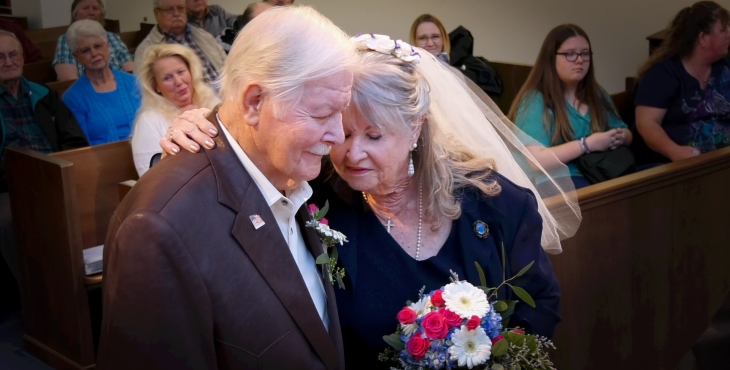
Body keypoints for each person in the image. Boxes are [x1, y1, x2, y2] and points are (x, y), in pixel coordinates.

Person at [162, 34, 581, 368]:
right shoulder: (317, 197)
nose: (351, 153)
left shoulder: (496, 204)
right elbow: (236, 172)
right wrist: (203, 133)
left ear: (416, 128)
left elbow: (540, 305)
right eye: (341, 132)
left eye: (374, 136)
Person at [97, 6, 356, 369]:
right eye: (321, 114)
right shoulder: (159, 229)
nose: (338, 134)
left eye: (341, 112)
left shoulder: (289, 162)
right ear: (254, 102)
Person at [0, 30, 88, 315]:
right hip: (7, 185)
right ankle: (38, 302)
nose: (7, 61)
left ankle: (88, 292)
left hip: (53, 174)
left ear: (23, 57)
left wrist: (55, 170)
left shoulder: (45, 95)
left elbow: (74, 140)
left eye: (13, 54)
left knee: (91, 204)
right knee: (9, 222)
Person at [508, 24, 632, 189]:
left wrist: (618, 137)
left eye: (585, 54)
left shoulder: (597, 94)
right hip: (553, 183)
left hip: (597, 174)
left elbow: (628, 135)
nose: (580, 60)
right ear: (551, 58)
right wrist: (586, 145)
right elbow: (536, 161)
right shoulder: (535, 100)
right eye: (570, 54)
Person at [634, 1, 730, 167]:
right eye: (723, 30)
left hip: (721, 160)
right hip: (673, 166)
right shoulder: (662, 74)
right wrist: (675, 151)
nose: (729, 34)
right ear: (703, 38)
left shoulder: (725, 65)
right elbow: (647, 124)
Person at [131, 43, 218, 176]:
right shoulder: (149, 120)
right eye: (167, 78)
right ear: (156, 86)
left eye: (181, 72)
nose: (178, 81)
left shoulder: (213, 103)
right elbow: (148, 177)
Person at [62, 20, 141, 146]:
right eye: (85, 50)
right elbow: (83, 147)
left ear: (108, 46)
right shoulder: (72, 98)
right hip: (103, 163)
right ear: (76, 56)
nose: (94, 54)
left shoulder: (135, 83)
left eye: (98, 46)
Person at [134, 0, 226, 86]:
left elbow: (227, 65)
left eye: (180, 8)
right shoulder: (146, 50)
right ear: (157, 14)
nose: (176, 13)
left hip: (226, 95)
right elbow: (145, 92)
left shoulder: (204, 36)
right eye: (169, 9)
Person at [53, 0, 134, 81]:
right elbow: (69, 80)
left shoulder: (112, 36)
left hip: (121, 84)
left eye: (95, 8)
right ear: (75, 14)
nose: (91, 12)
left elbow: (130, 69)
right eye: (85, 8)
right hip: (86, 89)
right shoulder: (66, 40)